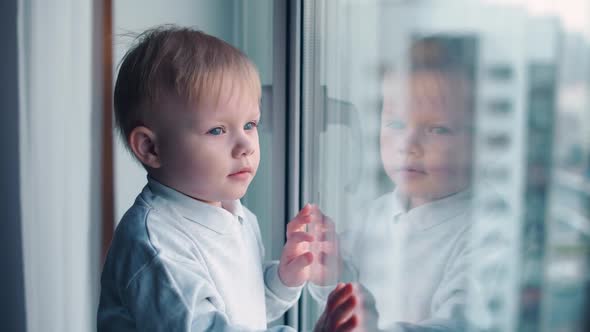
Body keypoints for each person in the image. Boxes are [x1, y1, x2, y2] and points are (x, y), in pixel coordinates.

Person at [97, 25, 358, 332]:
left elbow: (244, 315)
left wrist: (283, 279)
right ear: (151, 148)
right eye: (217, 130)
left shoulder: (236, 215)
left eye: (250, 124)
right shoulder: (156, 245)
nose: (246, 145)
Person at [309, 37, 482, 331]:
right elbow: (344, 287)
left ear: (477, 143)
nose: (408, 145)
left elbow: (459, 324)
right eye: (396, 124)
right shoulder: (375, 214)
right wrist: (330, 270)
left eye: (437, 129)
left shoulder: (480, 231)